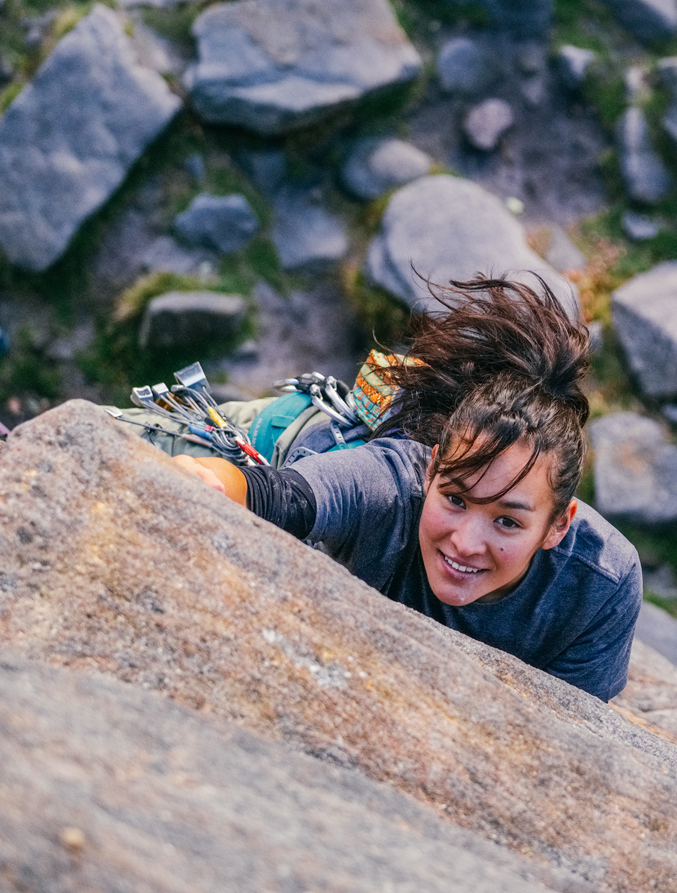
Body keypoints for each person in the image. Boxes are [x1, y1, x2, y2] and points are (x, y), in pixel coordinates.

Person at [170, 278, 642, 703]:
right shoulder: (390, 486)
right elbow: (278, 495)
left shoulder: (600, 586)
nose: (465, 543)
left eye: (507, 521)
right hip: (261, 435)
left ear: (558, 525)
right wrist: (208, 480)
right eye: (455, 499)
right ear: (432, 469)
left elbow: (570, 733)